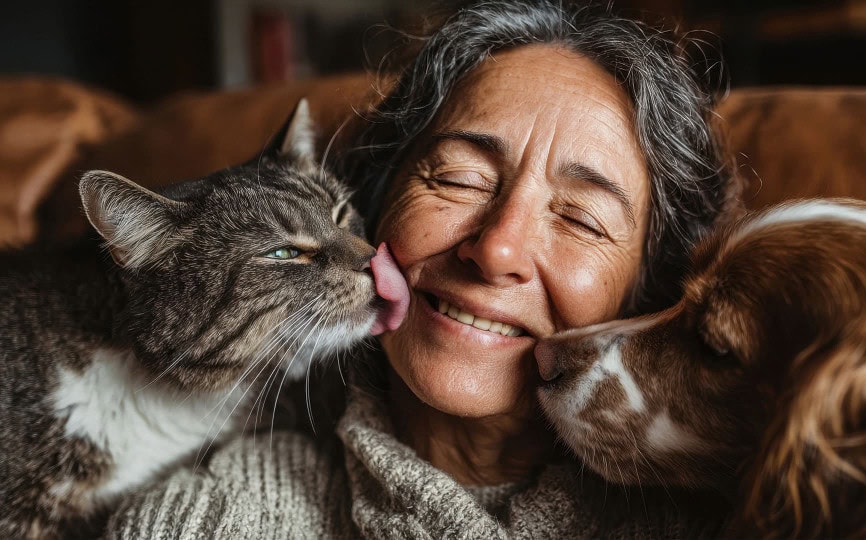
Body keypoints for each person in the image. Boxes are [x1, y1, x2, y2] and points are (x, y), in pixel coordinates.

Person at [107, 1, 740, 537]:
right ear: (376, 205)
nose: (496, 250)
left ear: (650, 288)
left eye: (580, 218)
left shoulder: (744, 516)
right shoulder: (214, 517)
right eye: (460, 179)